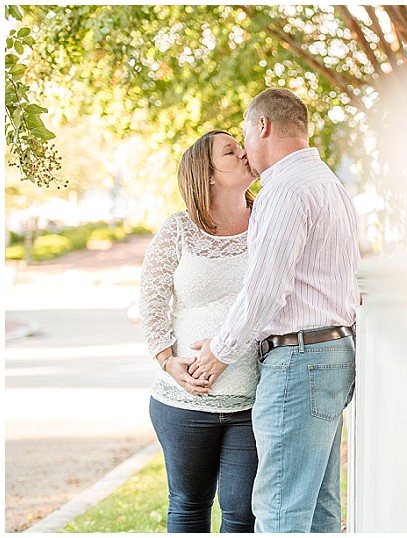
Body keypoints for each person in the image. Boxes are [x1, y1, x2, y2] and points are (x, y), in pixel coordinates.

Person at [187, 88, 360, 533]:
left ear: (262, 126)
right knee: (319, 511)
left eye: (243, 134)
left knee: (280, 512)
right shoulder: (329, 184)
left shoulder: (285, 189)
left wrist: (219, 352)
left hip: (299, 362)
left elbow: (265, 290)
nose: (243, 148)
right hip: (332, 353)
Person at [139, 130, 260, 533]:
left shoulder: (268, 222)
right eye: (231, 151)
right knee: (189, 507)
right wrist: (167, 361)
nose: (244, 152)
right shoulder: (177, 230)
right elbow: (152, 303)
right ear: (207, 175)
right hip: (182, 405)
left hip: (253, 403)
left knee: (243, 513)